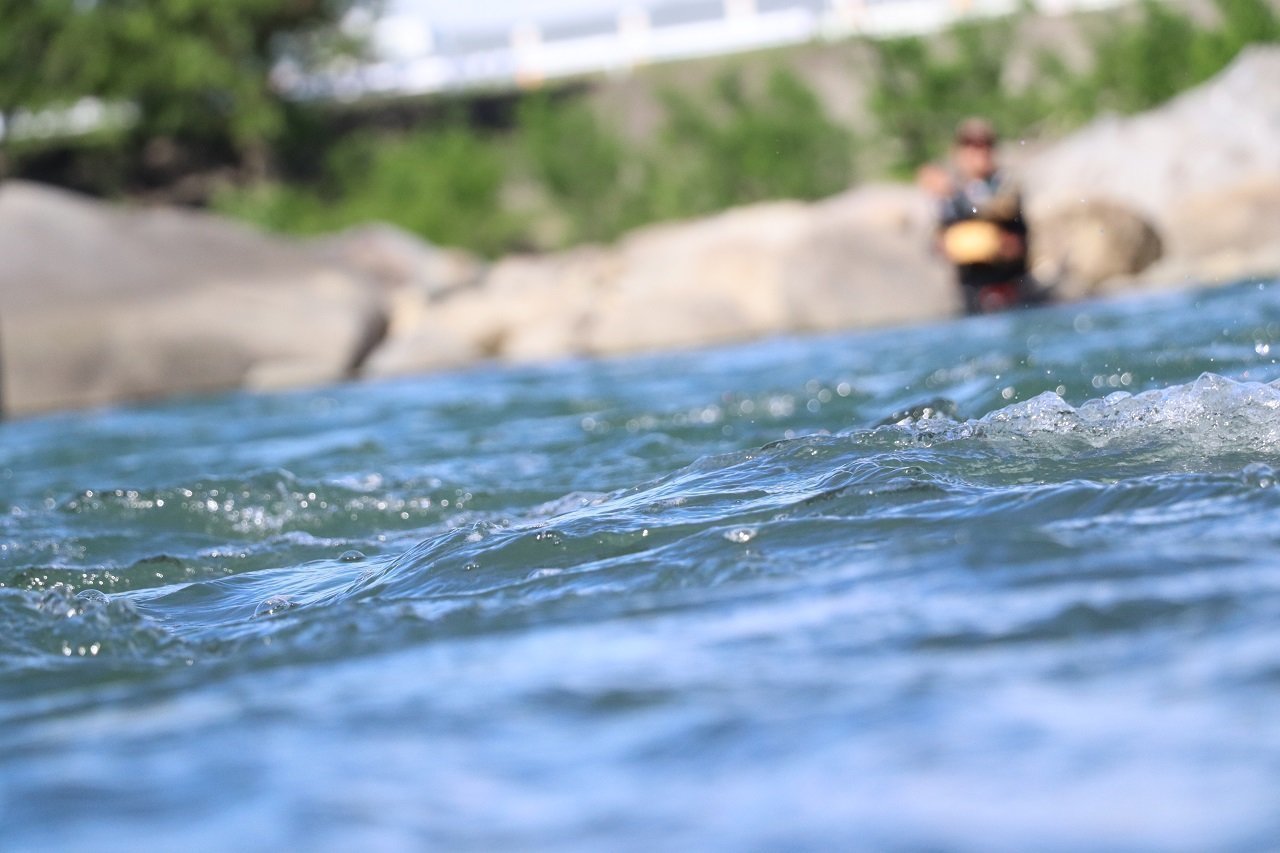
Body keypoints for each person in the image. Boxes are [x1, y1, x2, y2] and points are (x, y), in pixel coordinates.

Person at [919, 118, 1037, 315]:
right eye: (971, 147)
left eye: (984, 146)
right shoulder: (948, 196)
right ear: (959, 152)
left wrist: (956, 195)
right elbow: (935, 239)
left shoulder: (1006, 184)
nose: (979, 154)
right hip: (971, 292)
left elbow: (1000, 208)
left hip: (1011, 288)